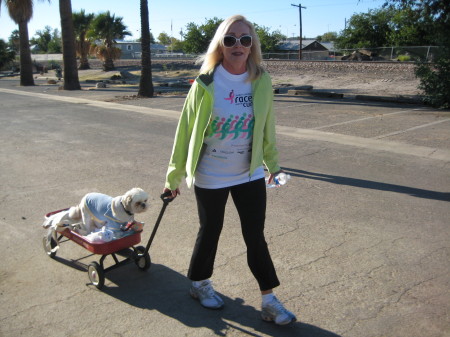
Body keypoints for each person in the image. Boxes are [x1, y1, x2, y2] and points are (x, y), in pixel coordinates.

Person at [163, 14, 296, 325]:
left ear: (252, 47)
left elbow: (267, 129)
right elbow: (185, 132)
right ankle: (199, 283)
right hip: (211, 173)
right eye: (231, 39)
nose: (238, 45)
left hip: (248, 172)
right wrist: (173, 177)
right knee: (210, 231)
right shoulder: (206, 82)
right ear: (220, 45)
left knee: (255, 236)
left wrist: (273, 167)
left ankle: (269, 300)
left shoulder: (261, 81)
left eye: (245, 39)